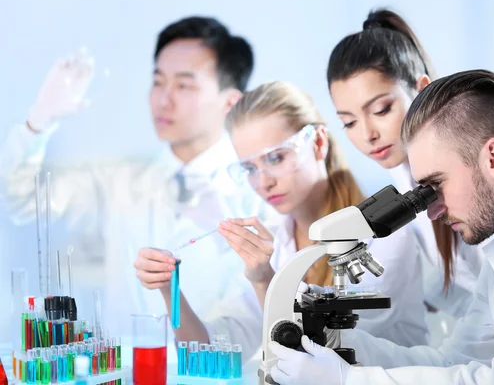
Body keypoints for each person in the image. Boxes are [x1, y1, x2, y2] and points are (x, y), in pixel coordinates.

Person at [268, 69, 494, 384]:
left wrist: (349, 381)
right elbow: (457, 361)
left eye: (435, 185)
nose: (433, 211)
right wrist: (339, 342)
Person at [0, 16, 271, 333]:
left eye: (184, 85)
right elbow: (21, 200)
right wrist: (39, 121)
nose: (162, 99)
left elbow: (248, 327)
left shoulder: (259, 196)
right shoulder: (121, 181)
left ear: (230, 102)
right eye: (158, 82)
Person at [133, 81, 429, 359]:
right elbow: (206, 351)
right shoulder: (276, 243)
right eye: (249, 168)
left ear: (318, 143)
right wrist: (169, 288)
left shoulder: (384, 237)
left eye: (276, 159)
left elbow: (330, 353)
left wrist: (266, 281)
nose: (263, 182)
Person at [326, 8, 494, 322]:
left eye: (381, 109)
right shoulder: (401, 188)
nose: (368, 135)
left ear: (419, 88)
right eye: (349, 123)